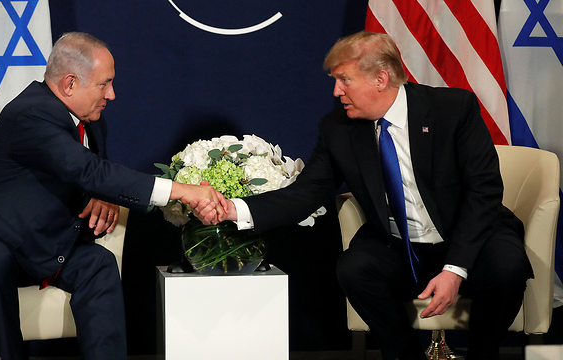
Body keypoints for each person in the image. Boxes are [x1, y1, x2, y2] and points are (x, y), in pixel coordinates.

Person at [192, 31, 533, 360]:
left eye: (344, 80)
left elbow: (483, 191)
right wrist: (231, 210)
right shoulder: (338, 128)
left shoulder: (452, 109)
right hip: (399, 244)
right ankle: (403, 356)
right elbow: (307, 193)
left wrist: (454, 269)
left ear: (381, 79)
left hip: (468, 233)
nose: (337, 91)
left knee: (507, 266)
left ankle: (483, 355)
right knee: (354, 268)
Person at [0, 32, 226, 360]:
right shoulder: (30, 114)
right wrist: (182, 191)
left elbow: (89, 175)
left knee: (99, 264)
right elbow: (89, 172)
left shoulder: (91, 121)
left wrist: (104, 195)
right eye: (104, 84)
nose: (112, 94)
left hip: (44, 241)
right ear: (70, 84)